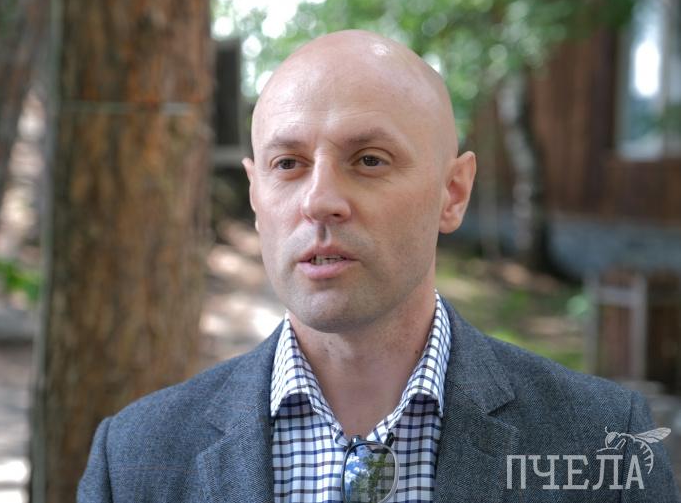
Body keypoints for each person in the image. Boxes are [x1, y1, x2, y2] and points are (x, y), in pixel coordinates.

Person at [78, 30, 680, 502]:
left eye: (368, 159)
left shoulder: (603, 443)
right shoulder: (133, 460)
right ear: (256, 195)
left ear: (453, 192)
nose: (319, 200)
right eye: (288, 164)